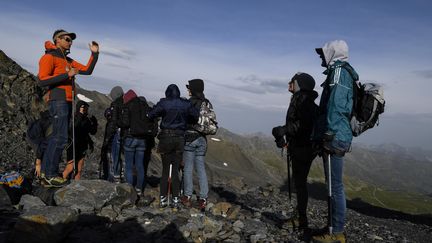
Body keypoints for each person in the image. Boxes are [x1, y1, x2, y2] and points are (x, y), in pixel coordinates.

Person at [37, 29, 99, 187]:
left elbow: (87, 70)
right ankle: (50, 174)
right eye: (67, 39)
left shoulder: (68, 60)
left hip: (66, 100)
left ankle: (46, 174)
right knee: (60, 137)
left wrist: (95, 54)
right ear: (57, 40)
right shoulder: (49, 57)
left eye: (71, 40)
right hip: (58, 99)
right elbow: (42, 80)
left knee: (57, 137)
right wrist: (67, 75)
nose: (70, 41)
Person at [312, 40, 359, 243]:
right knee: (333, 185)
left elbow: (336, 105)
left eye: (323, 53)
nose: (321, 57)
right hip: (338, 134)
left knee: (335, 187)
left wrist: (329, 133)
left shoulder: (339, 72)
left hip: (335, 136)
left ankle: (336, 232)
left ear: (332, 53)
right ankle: (333, 227)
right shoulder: (341, 72)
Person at [272, 72, 318, 230]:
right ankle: (300, 217)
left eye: (291, 81)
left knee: (300, 183)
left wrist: (284, 130)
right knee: (300, 183)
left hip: (302, 147)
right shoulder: (303, 99)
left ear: (299, 83)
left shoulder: (302, 99)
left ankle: (301, 219)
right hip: (303, 146)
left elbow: (303, 125)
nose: (289, 84)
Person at [148, 84, 199, 209]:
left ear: (167, 93)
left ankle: (163, 199)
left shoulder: (164, 103)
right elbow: (195, 115)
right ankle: (176, 199)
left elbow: (151, 114)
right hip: (180, 139)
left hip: (165, 139)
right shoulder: (185, 104)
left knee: (165, 171)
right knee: (175, 171)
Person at [181, 79, 212, 210]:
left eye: (189, 88)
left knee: (188, 168)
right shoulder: (207, 103)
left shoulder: (189, 103)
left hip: (190, 138)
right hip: (202, 139)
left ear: (193, 89)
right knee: (201, 169)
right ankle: (203, 198)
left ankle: (187, 196)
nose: (188, 90)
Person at [118, 90, 149, 196]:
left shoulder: (128, 106)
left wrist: (119, 122)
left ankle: (130, 189)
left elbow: (125, 123)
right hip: (142, 139)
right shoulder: (145, 106)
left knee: (129, 165)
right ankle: (139, 189)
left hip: (130, 138)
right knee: (140, 165)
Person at [62, 101, 98, 180]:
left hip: (82, 146)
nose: (85, 109)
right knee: (70, 167)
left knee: (79, 168)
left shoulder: (87, 119)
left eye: (86, 108)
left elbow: (92, 131)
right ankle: (62, 181)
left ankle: (76, 186)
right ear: (78, 108)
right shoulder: (73, 118)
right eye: (83, 107)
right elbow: (74, 129)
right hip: (73, 145)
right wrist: (80, 116)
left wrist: (95, 123)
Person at [101, 86, 124, 182]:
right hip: (124, 134)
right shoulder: (125, 104)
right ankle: (119, 175)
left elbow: (113, 122)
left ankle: (113, 177)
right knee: (119, 156)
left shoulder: (115, 104)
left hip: (115, 135)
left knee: (113, 156)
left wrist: (107, 138)